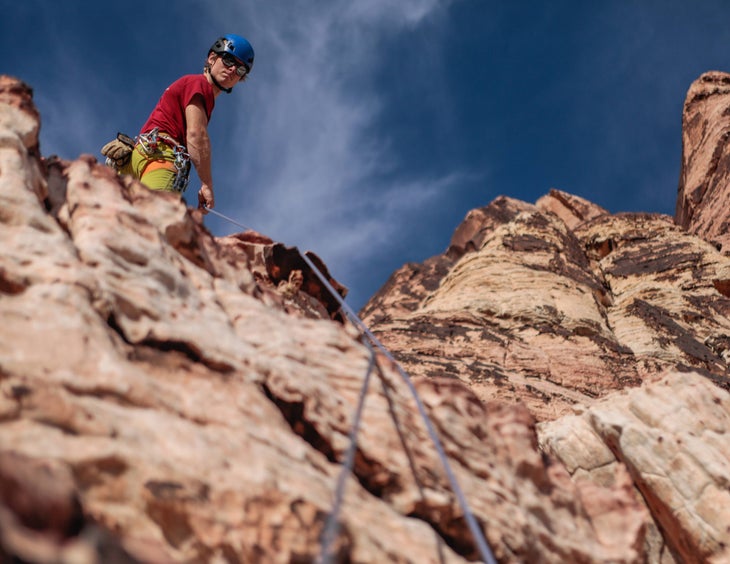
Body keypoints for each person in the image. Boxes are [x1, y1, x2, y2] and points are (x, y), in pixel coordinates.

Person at [102, 34, 254, 211]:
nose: (233, 69)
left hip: (137, 158)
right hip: (159, 159)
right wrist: (207, 185)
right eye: (228, 60)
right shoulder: (199, 84)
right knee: (152, 228)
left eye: (240, 69)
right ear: (212, 58)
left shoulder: (192, 87)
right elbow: (196, 135)